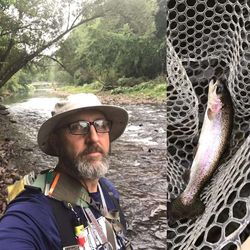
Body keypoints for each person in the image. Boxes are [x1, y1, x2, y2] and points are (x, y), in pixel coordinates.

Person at [0, 93, 132, 250]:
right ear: (56, 141)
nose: (94, 138)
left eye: (101, 125)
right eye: (78, 127)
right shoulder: (34, 211)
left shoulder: (109, 191)